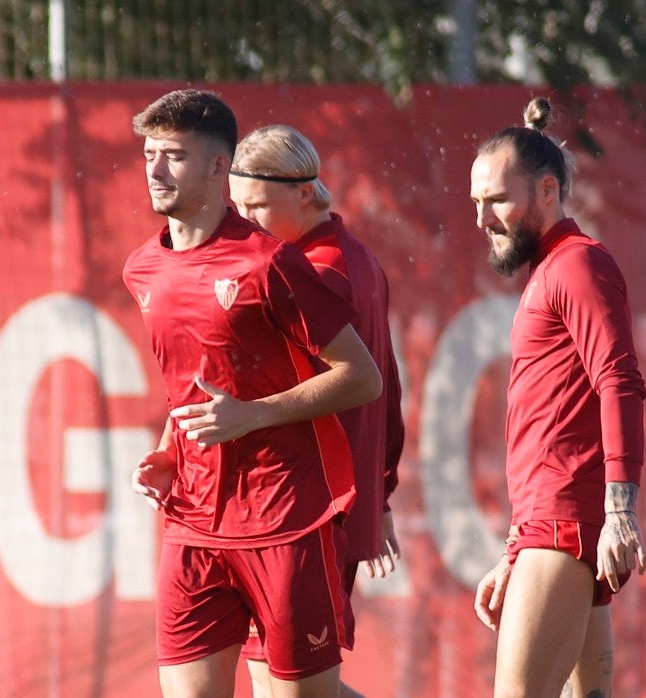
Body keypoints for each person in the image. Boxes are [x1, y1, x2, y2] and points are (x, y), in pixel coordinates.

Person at [123, 88, 383, 697]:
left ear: (220, 168)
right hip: (190, 525)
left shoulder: (270, 263)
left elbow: (362, 377)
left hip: (283, 521)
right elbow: (190, 380)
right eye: (149, 154)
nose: (156, 170)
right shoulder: (141, 267)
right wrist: (167, 452)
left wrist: (250, 417)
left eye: (174, 156)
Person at [469, 98, 646, 698]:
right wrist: (514, 549)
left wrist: (620, 511)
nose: (482, 219)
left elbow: (618, 380)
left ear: (547, 190)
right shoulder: (549, 270)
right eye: (476, 203)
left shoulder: (577, 265)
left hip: (564, 526)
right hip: (551, 527)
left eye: (496, 199)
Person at [228, 124, 406, 698]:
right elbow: (390, 390)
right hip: (328, 503)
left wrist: (372, 497)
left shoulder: (312, 273)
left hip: (305, 512)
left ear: (305, 192)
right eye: (236, 206)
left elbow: (365, 387)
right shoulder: (360, 259)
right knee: (283, 687)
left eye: (257, 206)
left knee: (290, 689)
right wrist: (378, 494)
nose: (244, 223)